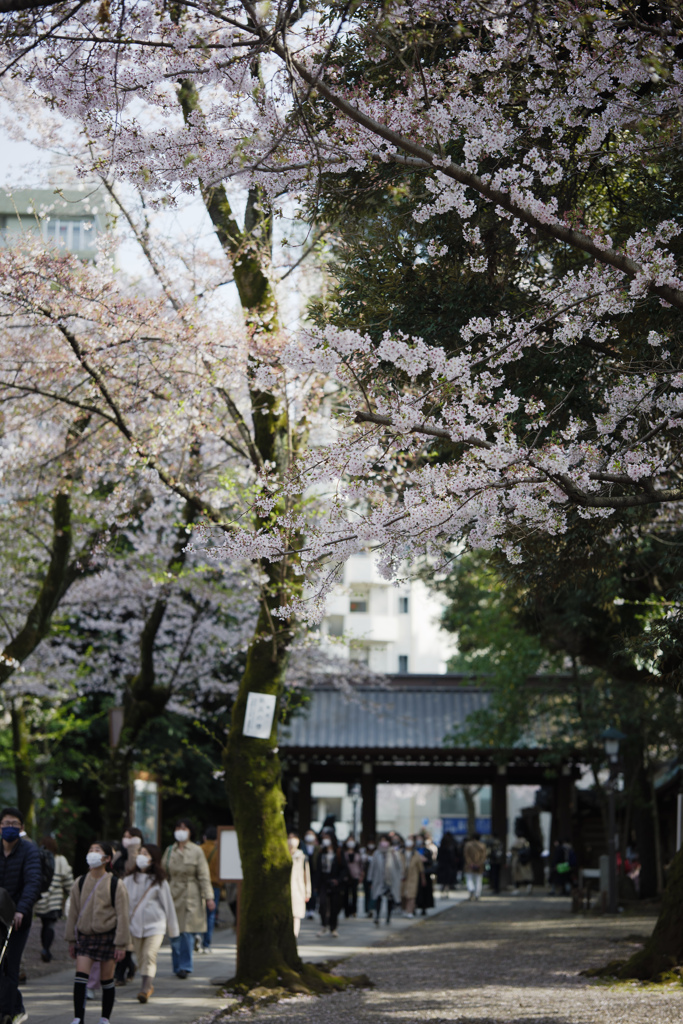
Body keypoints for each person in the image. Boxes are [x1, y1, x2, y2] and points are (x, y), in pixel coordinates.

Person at [65, 840, 131, 1024]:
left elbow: (123, 915)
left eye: (97, 850)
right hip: (85, 937)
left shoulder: (116, 884)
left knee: (106, 979)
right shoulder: (79, 882)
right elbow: (73, 913)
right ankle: (78, 1017)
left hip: (108, 936)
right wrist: (71, 939)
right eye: (90, 850)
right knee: (80, 977)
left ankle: (105, 1018)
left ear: (107, 858)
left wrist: (121, 943)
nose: (92, 853)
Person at [123, 842, 179, 1003]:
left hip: (155, 925)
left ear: (153, 858)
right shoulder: (128, 879)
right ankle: (147, 984)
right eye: (141, 853)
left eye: (146, 853)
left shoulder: (159, 880)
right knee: (141, 957)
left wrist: (173, 929)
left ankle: (145, 987)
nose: (142, 856)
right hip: (134, 925)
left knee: (149, 954)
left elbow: (168, 904)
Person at [0, 806, 41, 1024]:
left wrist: (21, 910)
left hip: (17, 919)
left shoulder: (29, 850)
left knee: (10, 964)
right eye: (6, 823)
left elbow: (33, 882)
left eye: (14, 824)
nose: (10, 828)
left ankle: (6, 1013)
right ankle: (16, 1006)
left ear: (22, 828)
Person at [163, 818, 214, 978]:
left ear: (190, 831)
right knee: (174, 932)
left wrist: (209, 897)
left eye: (184, 828)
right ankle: (177, 965)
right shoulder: (170, 850)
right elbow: (163, 873)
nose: (180, 830)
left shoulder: (196, 850)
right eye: (178, 827)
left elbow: (204, 875)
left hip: (191, 894)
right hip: (172, 892)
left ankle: (185, 966)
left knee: (187, 933)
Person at [112, 827, 143, 987]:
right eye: (124, 836)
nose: (126, 839)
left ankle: (120, 974)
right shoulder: (119, 852)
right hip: (116, 894)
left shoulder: (139, 853)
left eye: (130, 837)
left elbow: (131, 867)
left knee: (126, 938)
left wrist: (133, 848)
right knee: (120, 935)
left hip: (131, 898)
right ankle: (129, 967)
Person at [35, 835, 74, 963]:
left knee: (43, 924)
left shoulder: (37, 858)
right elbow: (68, 879)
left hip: (40, 897)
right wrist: (72, 893)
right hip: (54, 898)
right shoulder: (60, 860)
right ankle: (46, 949)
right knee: (50, 924)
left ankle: (44, 948)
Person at [313, 831, 347, 938]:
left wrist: (338, 880)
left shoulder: (338, 852)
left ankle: (333, 927)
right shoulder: (321, 852)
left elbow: (344, 868)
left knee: (334, 905)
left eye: (327, 837)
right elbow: (317, 869)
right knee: (322, 904)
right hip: (323, 881)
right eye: (324, 838)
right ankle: (324, 925)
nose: (325, 840)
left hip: (335, 882)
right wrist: (316, 885)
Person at [367, 834, 402, 927]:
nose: (384, 843)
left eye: (385, 840)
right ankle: (377, 916)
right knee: (378, 898)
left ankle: (388, 917)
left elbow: (399, 867)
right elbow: (372, 867)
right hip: (379, 879)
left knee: (390, 899)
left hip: (390, 880)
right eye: (382, 840)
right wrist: (370, 879)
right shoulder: (377, 853)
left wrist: (400, 878)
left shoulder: (394, 852)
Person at [200, 826, 221, 953]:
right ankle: (206, 943)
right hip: (215, 886)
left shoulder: (198, 849)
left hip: (199, 885)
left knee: (198, 913)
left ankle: (196, 935)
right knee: (210, 915)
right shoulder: (219, 851)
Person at [288, 833, 311, 937]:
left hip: (298, 889)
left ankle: (294, 935)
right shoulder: (282, 856)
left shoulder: (302, 857)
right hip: (285, 890)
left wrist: (307, 892)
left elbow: (307, 876)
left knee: (296, 915)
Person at [401, 835, 425, 918]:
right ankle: (404, 909)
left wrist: (423, 879)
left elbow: (421, 868)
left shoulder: (416, 854)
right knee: (403, 895)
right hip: (402, 877)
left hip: (413, 877)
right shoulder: (400, 853)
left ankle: (410, 910)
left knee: (412, 895)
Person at [342, 836, 363, 918]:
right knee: (346, 894)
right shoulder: (343, 853)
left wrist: (361, 875)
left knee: (354, 894)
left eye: (352, 840)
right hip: (346, 876)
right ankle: (346, 911)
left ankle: (354, 910)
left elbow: (361, 865)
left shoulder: (358, 854)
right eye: (349, 840)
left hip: (355, 876)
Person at [463, 832, 488, 901]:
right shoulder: (482, 845)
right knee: (478, 880)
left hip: (469, 865)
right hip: (479, 865)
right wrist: (479, 863)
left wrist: (470, 863)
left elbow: (466, 855)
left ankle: (471, 889)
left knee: (469, 879)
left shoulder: (468, 845)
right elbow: (484, 856)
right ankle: (477, 894)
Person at [415, 834, 435, 916]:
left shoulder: (427, 851)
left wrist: (425, 860)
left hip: (425, 874)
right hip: (415, 874)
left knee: (425, 892)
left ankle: (424, 907)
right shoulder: (414, 850)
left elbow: (431, 862)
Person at [301, 830, 319, 919]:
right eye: (308, 834)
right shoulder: (302, 847)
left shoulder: (317, 848)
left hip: (314, 873)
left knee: (313, 891)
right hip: (304, 872)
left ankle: (312, 909)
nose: (309, 836)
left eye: (311, 835)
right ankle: (307, 909)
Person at [436, 831, 458, 897]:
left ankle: (443, 891)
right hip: (449, 866)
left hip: (442, 865)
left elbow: (438, 857)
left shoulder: (441, 847)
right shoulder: (451, 847)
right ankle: (446, 891)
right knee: (447, 880)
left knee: (443, 880)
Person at [360, 841, 376, 917]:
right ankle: (367, 909)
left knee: (373, 894)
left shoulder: (377, 854)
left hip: (374, 877)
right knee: (366, 894)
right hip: (366, 877)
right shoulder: (364, 854)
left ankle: (371, 909)